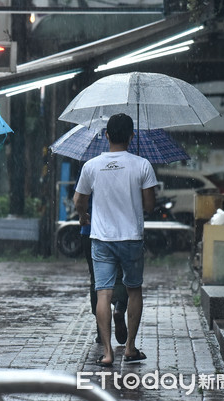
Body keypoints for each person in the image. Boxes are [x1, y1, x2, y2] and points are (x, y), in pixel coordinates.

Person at [73, 113, 157, 367]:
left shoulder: (91, 166)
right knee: (133, 290)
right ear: (132, 136)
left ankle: (108, 352)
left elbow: (79, 200)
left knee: (103, 294)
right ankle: (130, 348)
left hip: (101, 239)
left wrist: (83, 215)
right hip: (131, 237)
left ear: (106, 135)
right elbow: (150, 205)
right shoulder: (142, 165)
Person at [79, 195, 128, 345]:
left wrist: (82, 215)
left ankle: (101, 330)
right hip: (119, 229)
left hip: (91, 229)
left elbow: (79, 199)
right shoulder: (125, 170)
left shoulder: (88, 170)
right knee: (120, 275)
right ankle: (119, 306)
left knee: (97, 280)